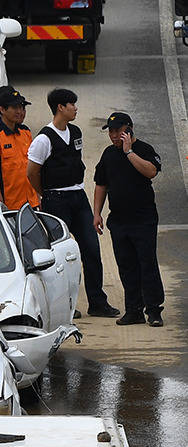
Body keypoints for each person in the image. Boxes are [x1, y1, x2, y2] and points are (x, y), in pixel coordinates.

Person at [27, 88, 119, 318]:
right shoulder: (43, 139)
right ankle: (65, 304)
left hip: (78, 197)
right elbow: (32, 172)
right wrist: (45, 194)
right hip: (56, 200)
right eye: (72, 104)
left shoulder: (76, 131)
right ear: (60, 107)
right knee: (61, 255)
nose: (76, 108)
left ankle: (97, 302)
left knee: (91, 249)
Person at [93, 112, 164, 327]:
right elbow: (101, 184)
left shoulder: (144, 150)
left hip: (143, 220)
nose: (114, 136)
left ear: (129, 129)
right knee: (126, 265)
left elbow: (151, 171)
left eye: (119, 131)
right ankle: (133, 310)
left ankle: (153, 310)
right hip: (119, 221)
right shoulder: (108, 154)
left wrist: (129, 152)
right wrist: (97, 212)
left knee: (147, 263)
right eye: (112, 132)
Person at [0, 87, 39, 210]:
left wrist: (38, 195)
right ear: (2, 109)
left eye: (22, 107)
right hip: (10, 204)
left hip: (31, 201)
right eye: (15, 108)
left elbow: (33, 165)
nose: (20, 111)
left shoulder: (26, 132)